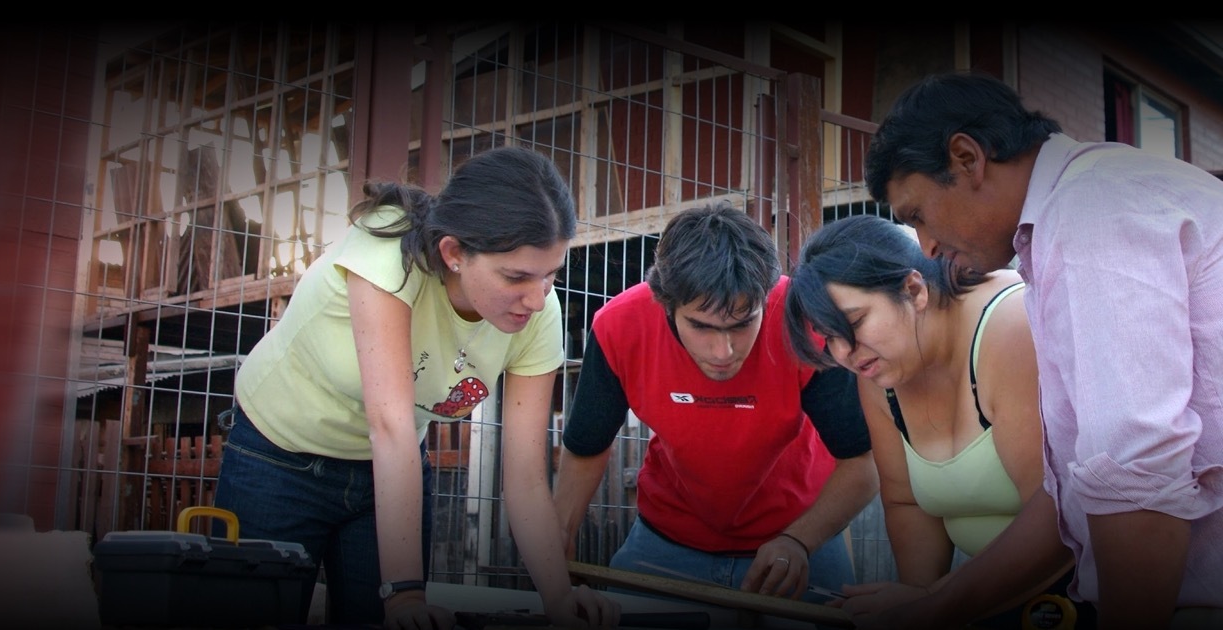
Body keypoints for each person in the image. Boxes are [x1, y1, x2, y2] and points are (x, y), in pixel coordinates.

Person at [843, 70, 1223, 630]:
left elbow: (1135, 470)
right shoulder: (1097, 194)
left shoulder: (1092, 209)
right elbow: (1079, 489)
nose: (924, 246)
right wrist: (932, 606)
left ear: (967, 158)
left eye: (918, 214)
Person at [213, 146, 621, 630]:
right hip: (278, 456)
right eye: (516, 276)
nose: (536, 299)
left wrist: (558, 596)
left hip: (386, 475)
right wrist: (404, 595)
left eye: (551, 274)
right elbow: (390, 426)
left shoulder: (539, 313)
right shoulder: (388, 250)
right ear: (453, 254)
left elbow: (527, 478)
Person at [552, 202, 878, 607]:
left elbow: (862, 463)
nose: (723, 351)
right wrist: (558, 540)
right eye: (701, 326)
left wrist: (798, 541)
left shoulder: (803, 318)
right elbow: (586, 447)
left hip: (797, 536)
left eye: (742, 324)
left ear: (766, 297)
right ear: (665, 304)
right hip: (667, 538)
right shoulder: (619, 326)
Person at [783, 213, 1095, 628]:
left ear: (913, 289)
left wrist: (933, 602)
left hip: (1083, 589)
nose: (844, 353)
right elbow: (905, 500)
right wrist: (913, 598)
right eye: (830, 335)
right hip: (977, 597)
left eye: (855, 323)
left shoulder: (1010, 326)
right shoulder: (874, 365)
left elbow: (1058, 512)